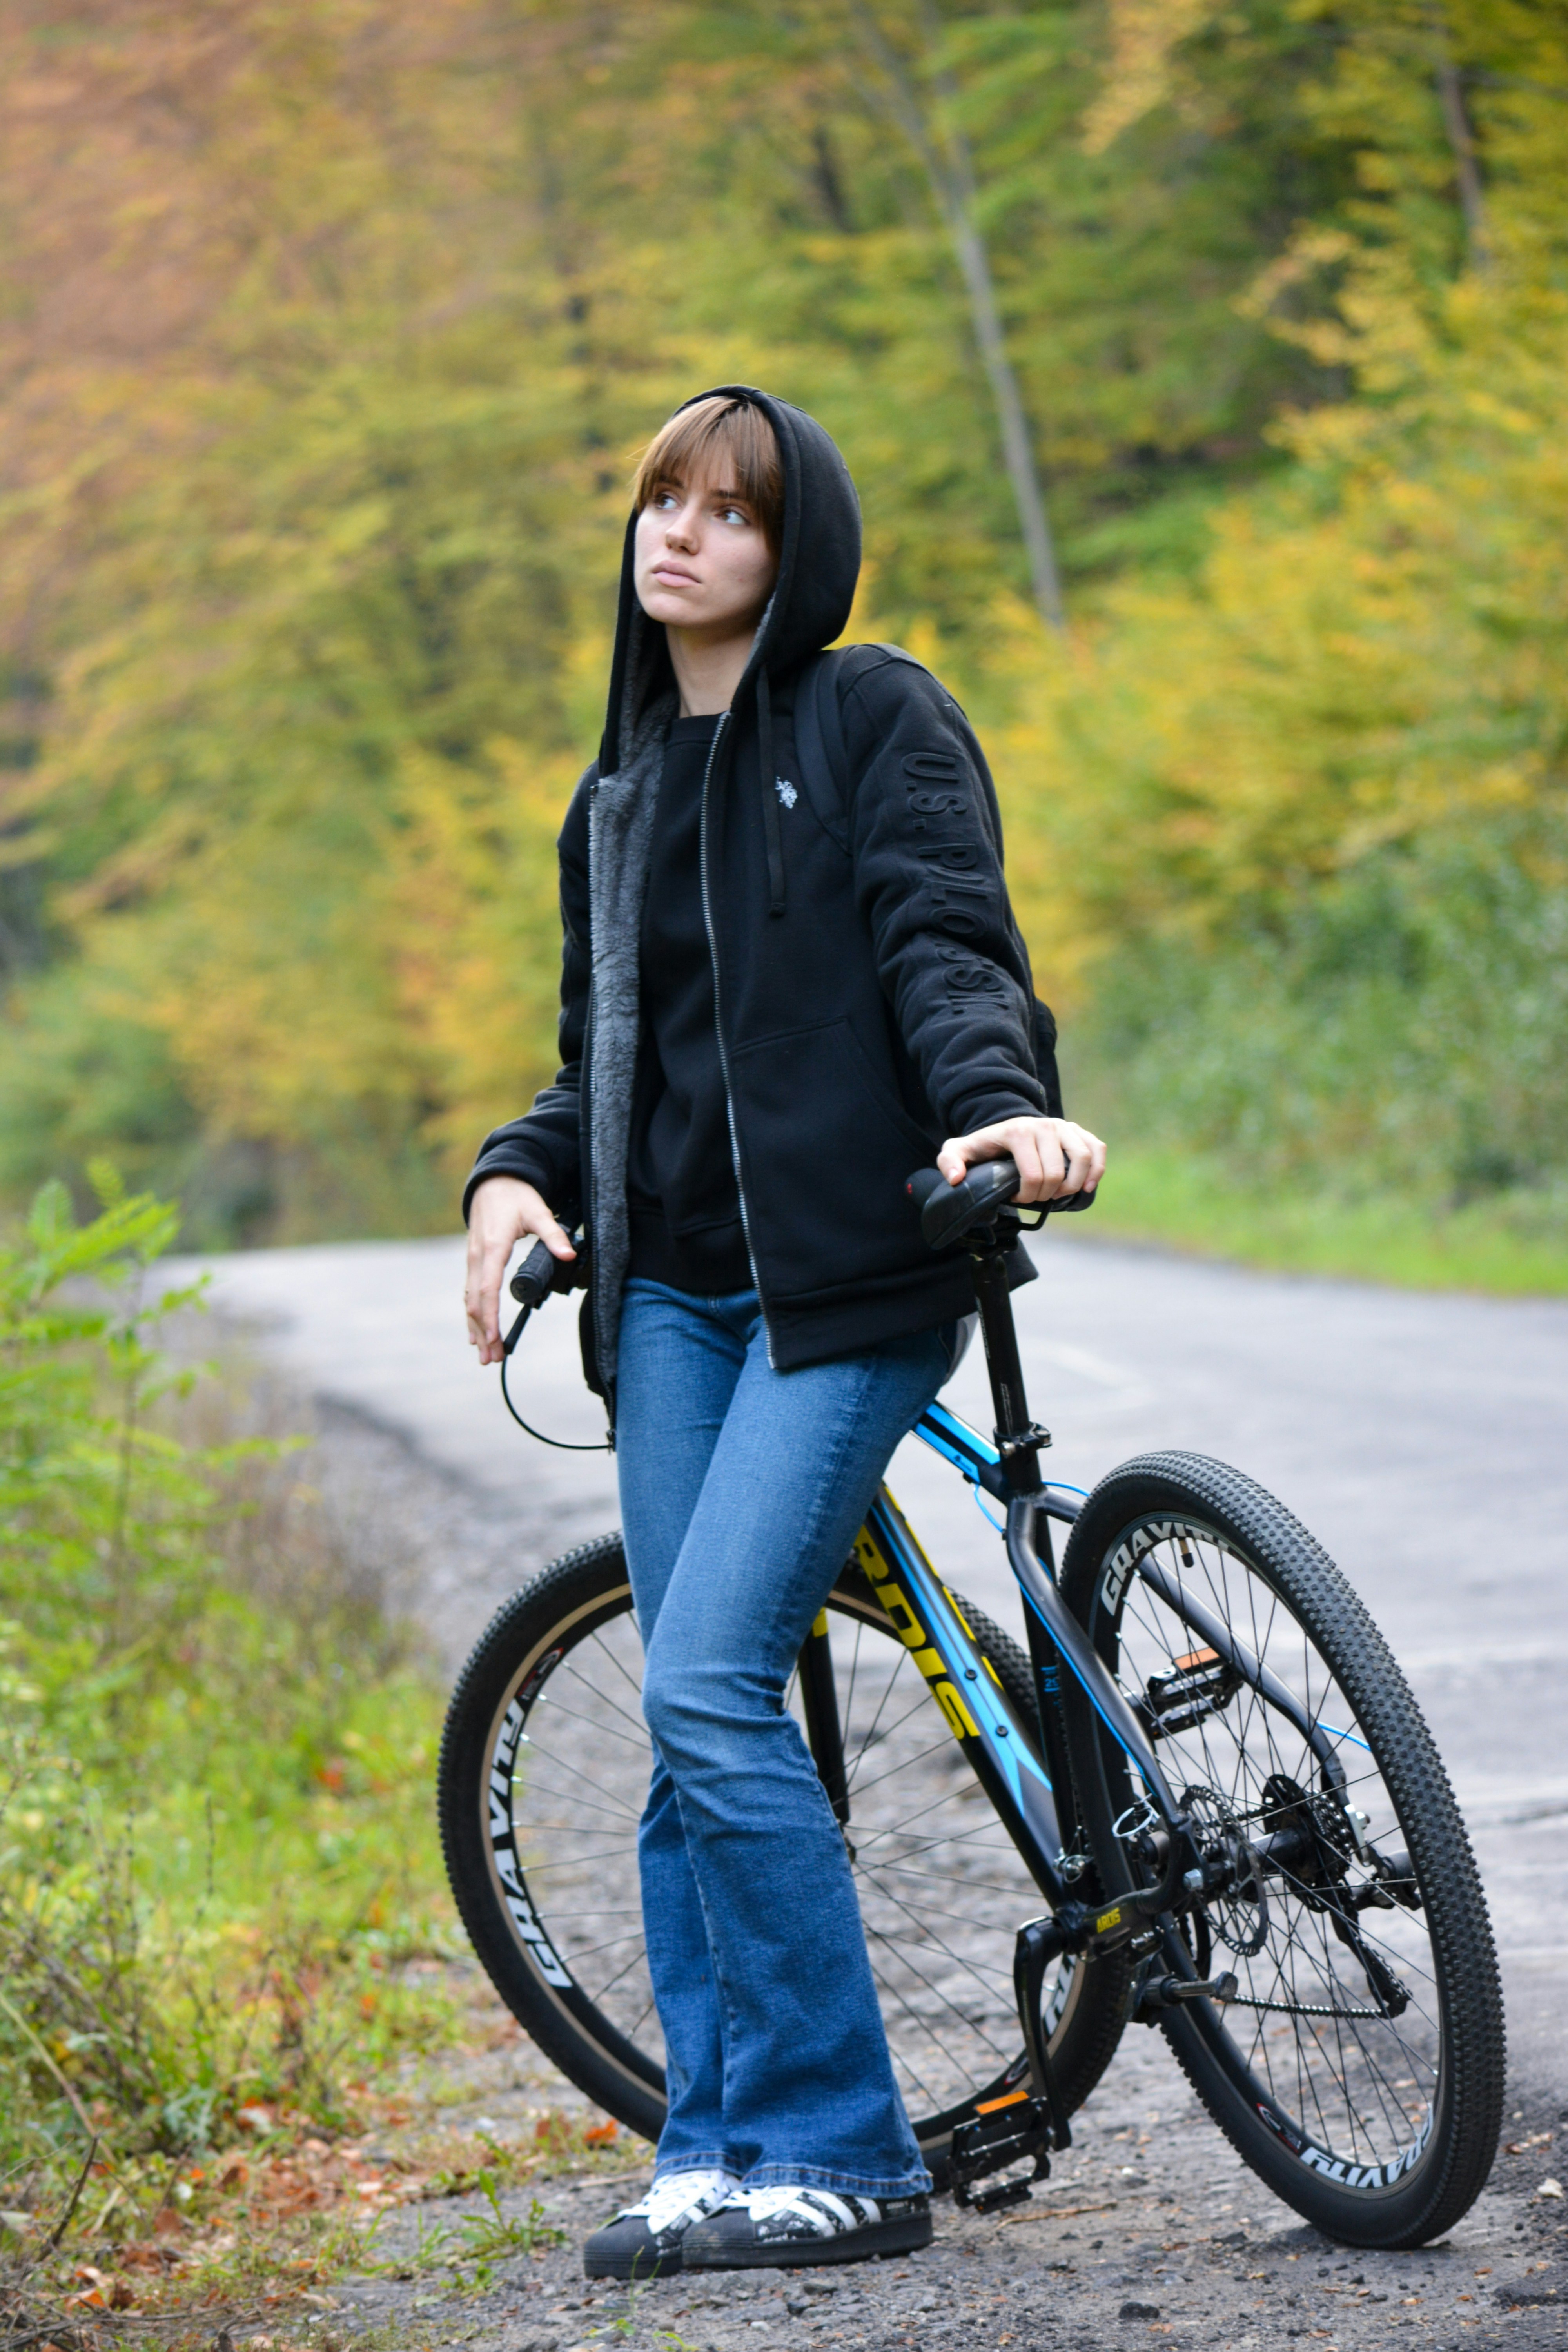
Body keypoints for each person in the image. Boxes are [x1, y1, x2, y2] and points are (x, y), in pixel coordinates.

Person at [462, 387, 1105, 2279]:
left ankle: (846, 2154)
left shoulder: (869, 714)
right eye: (663, 499)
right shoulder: (613, 802)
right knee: (699, 1706)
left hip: (853, 1281)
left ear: (792, 546)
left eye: (729, 511)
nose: (680, 534)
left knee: (706, 1684)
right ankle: (716, 2144)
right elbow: (605, 1062)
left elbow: (943, 940)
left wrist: (1000, 1108)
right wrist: (514, 1176)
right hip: (671, 1299)